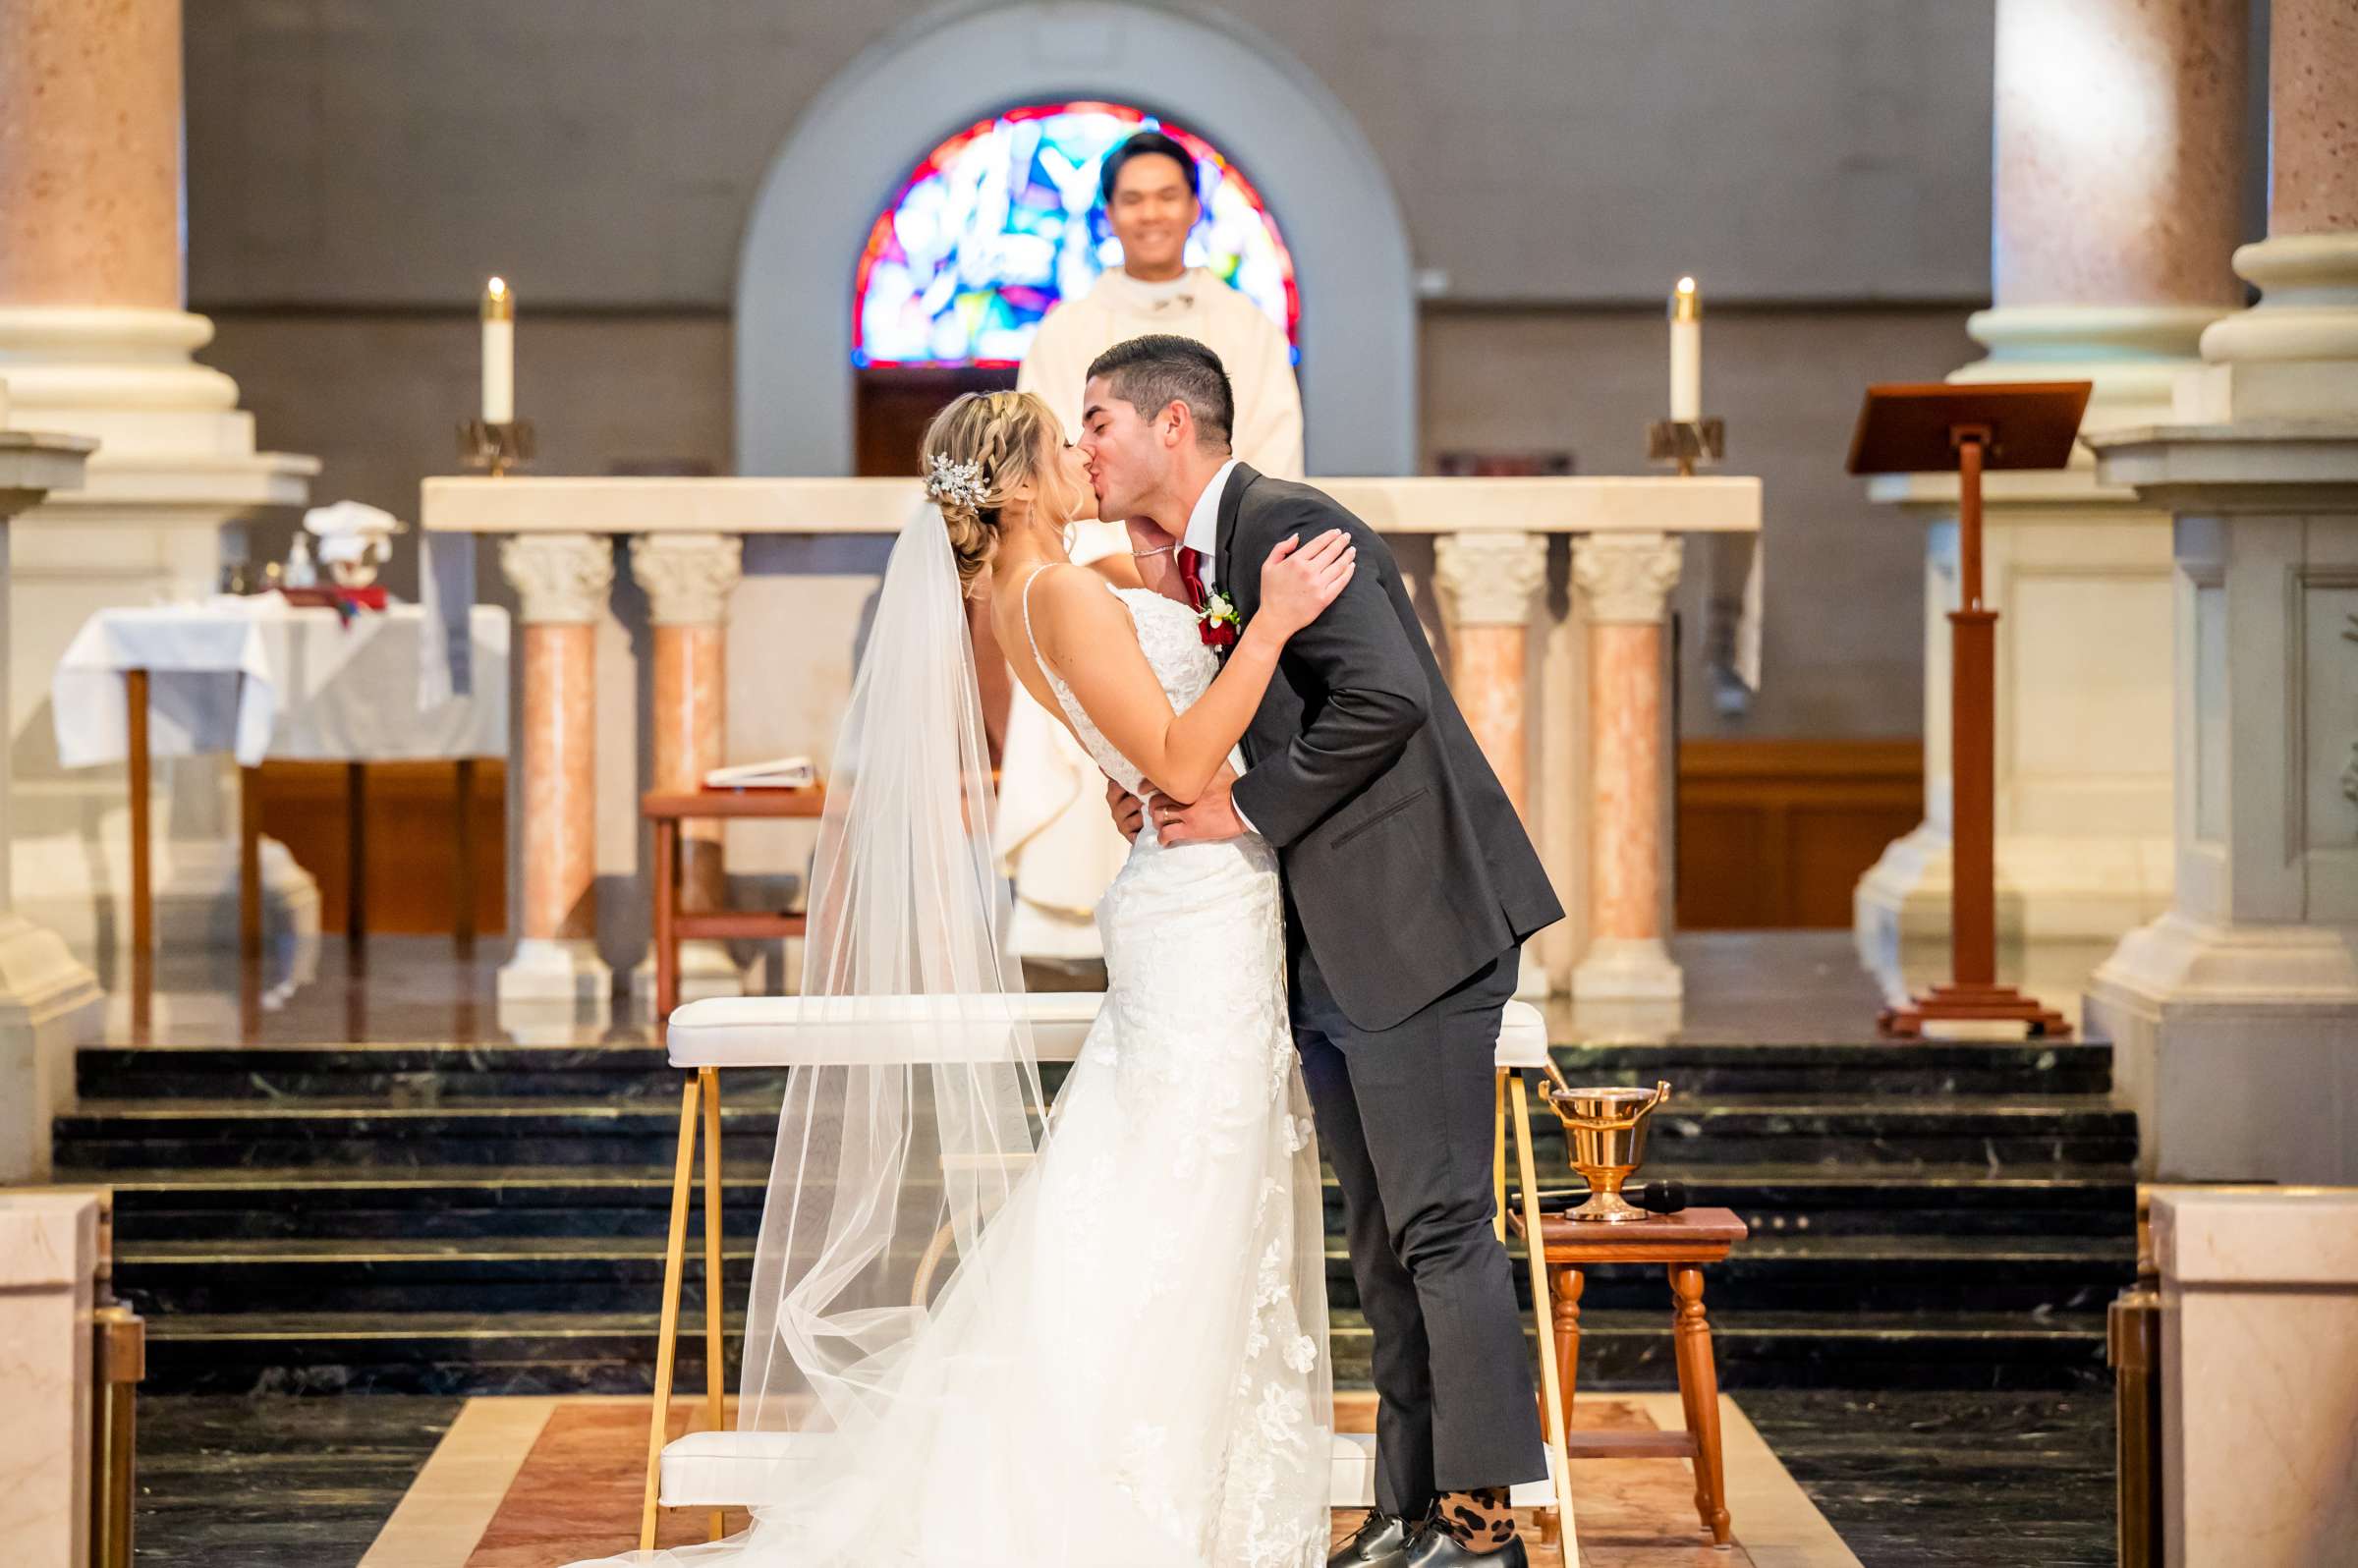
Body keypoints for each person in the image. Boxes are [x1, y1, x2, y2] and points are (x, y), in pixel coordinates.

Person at [566, 386, 1352, 1568]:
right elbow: (1187, 763)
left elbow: (1138, 715)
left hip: (1191, 908)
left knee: (1168, 1195)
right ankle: (1133, 1501)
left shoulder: (1022, 597)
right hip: (1197, 916)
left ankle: (1175, 1479)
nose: (1088, 455)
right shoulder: (1064, 596)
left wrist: (1181, 582)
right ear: (1023, 484)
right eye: (1066, 440)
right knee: (1181, 1203)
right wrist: (1280, 622)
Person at [1085, 336, 1565, 1568]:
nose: (1083, 447)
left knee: (1444, 1229)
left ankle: (1484, 1526)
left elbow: (1386, 700)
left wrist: (1237, 808)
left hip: (1417, 923)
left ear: (1173, 423)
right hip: (1336, 942)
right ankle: (1408, 1507)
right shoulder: (1209, 552)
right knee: (1384, 1241)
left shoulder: (1284, 524)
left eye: (1099, 421)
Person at [998, 128, 1307, 965]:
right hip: (1093, 574)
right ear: (1108, 214)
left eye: (1167, 195)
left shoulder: (1243, 324)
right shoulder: (1068, 331)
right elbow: (1045, 470)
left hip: (1216, 584)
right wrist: (1117, 572)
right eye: (1132, 198)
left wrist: (1196, 573)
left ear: (1193, 207)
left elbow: (1269, 463)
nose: (1151, 214)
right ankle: (1070, 931)